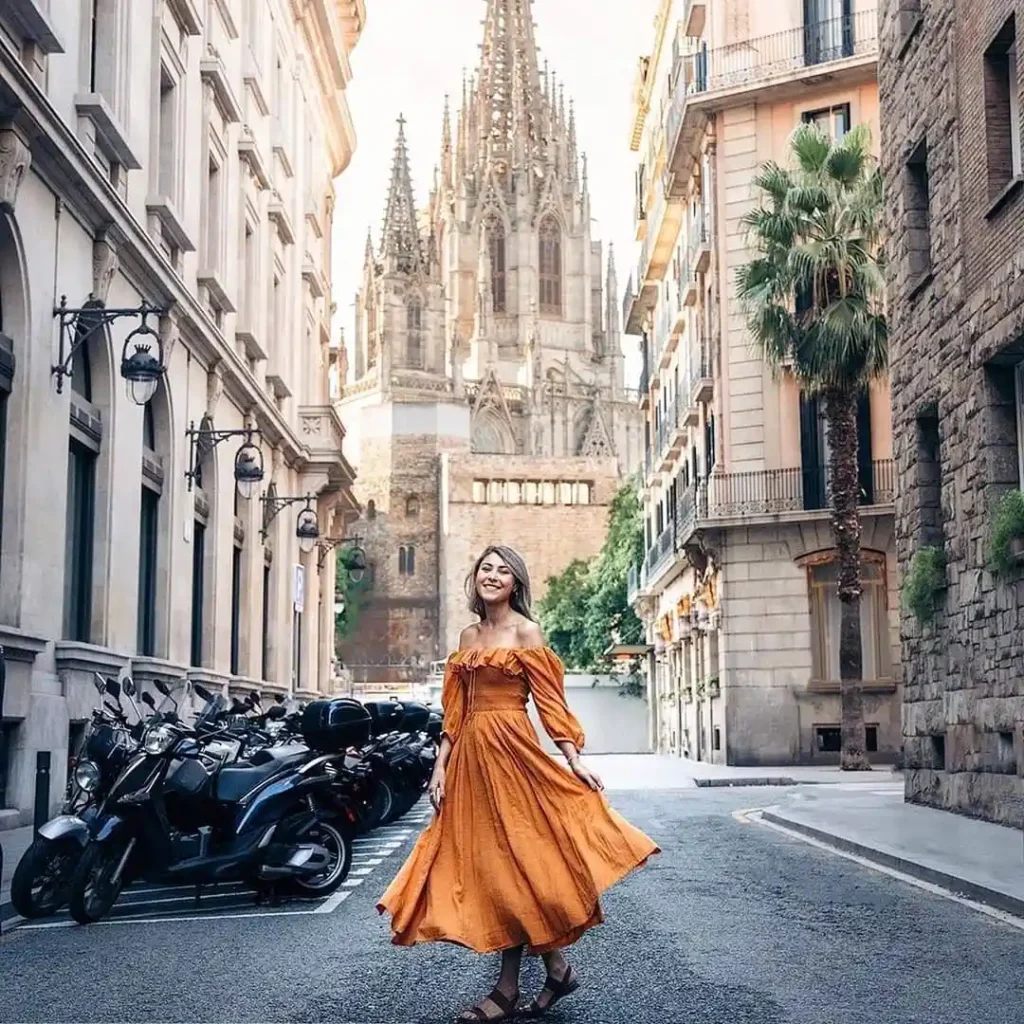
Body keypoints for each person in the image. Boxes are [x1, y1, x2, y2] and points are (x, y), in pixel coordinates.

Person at [377, 545, 659, 1021]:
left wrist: (573, 759)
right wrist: (439, 766)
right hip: (470, 761)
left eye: (503, 571)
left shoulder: (527, 632)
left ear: (515, 584)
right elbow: (455, 711)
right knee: (493, 869)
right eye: (486, 568)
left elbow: (550, 703)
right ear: (476, 579)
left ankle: (510, 988)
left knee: (520, 863)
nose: (493, 576)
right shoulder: (467, 636)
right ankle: (556, 971)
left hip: (514, 756)